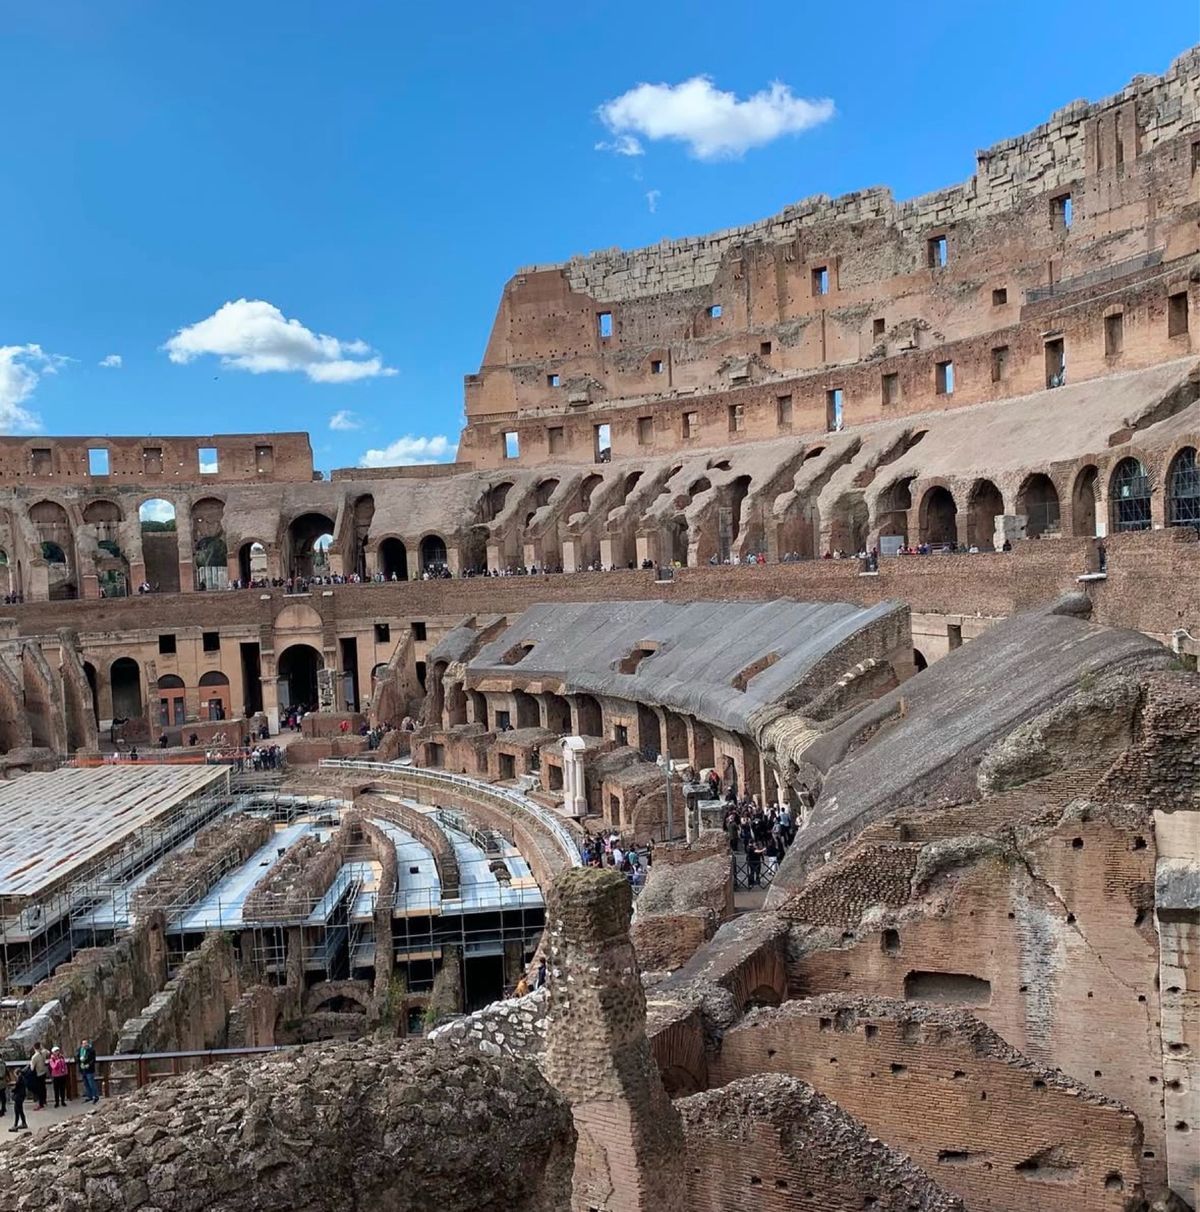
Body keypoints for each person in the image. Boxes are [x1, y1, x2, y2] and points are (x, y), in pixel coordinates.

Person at [77, 1038, 99, 1104]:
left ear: (88, 1044)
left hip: (89, 1069)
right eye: (83, 1043)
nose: (84, 1044)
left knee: (91, 1083)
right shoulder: (79, 1050)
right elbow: (76, 1057)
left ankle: (95, 1096)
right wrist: (79, 1059)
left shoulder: (91, 1050)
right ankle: (89, 1096)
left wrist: (88, 1064)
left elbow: (93, 1059)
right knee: (86, 1083)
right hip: (82, 1069)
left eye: (86, 1043)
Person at [29, 1042, 48, 1109]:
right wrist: (42, 1048)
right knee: (43, 1088)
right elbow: (48, 1052)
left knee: (39, 1089)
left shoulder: (34, 1057)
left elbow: (32, 1068)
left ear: (34, 1048)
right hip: (44, 1072)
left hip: (38, 1074)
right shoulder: (43, 1053)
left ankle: (40, 1103)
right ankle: (44, 1100)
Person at [9, 1066, 28, 1132]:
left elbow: (16, 1088)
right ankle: (24, 1123)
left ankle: (15, 1125)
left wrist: (12, 1090)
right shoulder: (22, 1078)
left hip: (18, 1097)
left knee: (17, 1111)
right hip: (22, 1096)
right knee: (20, 1110)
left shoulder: (19, 1079)